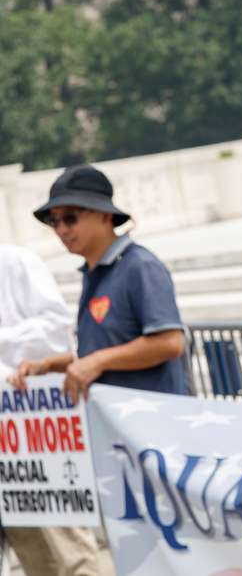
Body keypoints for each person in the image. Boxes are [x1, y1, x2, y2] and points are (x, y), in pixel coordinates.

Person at [11, 165, 186, 401]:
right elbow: (98, 355)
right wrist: (47, 365)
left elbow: (170, 343)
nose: (62, 229)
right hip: (117, 427)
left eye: (70, 218)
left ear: (104, 215)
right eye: (54, 221)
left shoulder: (140, 266)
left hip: (153, 423)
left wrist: (97, 361)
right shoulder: (95, 274)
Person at [1, 243, 109, 576]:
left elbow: (56, 332)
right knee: (32, 550)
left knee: (65, 551)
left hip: (27, 431)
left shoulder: (16, 262)